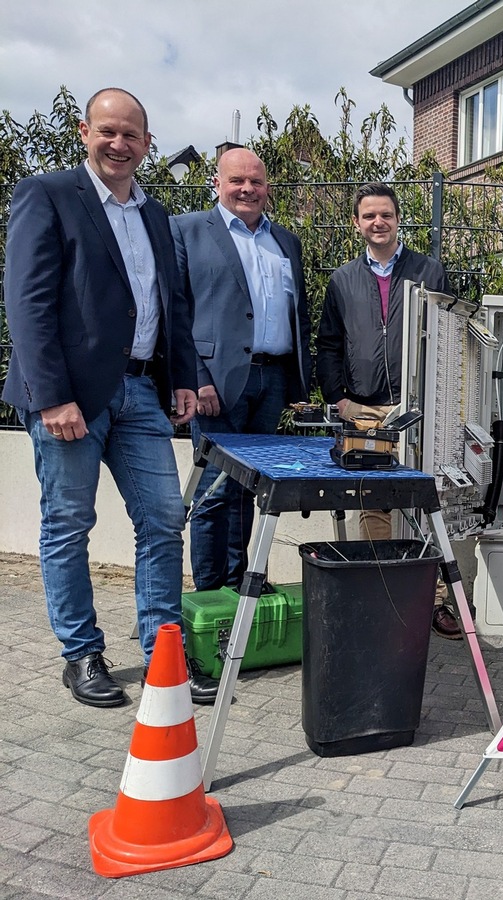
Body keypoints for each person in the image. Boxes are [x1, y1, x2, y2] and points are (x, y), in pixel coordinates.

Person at [2, 88, 219, 707]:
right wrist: (52, 397)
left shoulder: (154, 213)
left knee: (163, 519)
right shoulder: (46, 196)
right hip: (70, 398)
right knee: (69, 523)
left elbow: (170, 303)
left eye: (131, 135)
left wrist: (179, 375)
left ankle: (162, 653)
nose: (119, 144)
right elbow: (28, 303)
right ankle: (82, 654)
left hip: (141, 390)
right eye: (108, 132)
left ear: (148, 144)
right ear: (84, 132)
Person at [315, 182, 461, 639]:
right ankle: (380, 594)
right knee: (373, 503)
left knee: (427, 500)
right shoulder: (342, 280)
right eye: (369, 216)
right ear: (357, 223)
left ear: (398, 220)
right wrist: (338, 398)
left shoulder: (428, 271)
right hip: (364, 407)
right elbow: (329, 344)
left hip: (419, 405)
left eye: (386, 215)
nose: (378, 223)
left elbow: (450, 333)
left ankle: (434, 601)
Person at [172, 148, 311, 592]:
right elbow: (177, 312)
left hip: (272, 382)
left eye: (255, 181)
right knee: (215, 490)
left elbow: (297, 313)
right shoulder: (188, 230)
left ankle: (242, 583)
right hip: (216, 383)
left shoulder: (286, 241)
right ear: (218, 183)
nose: (247, 189)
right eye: (237, 180)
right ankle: (211, 592)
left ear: (268, 188)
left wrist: (295, 382)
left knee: (252, 488)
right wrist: (196, 378)